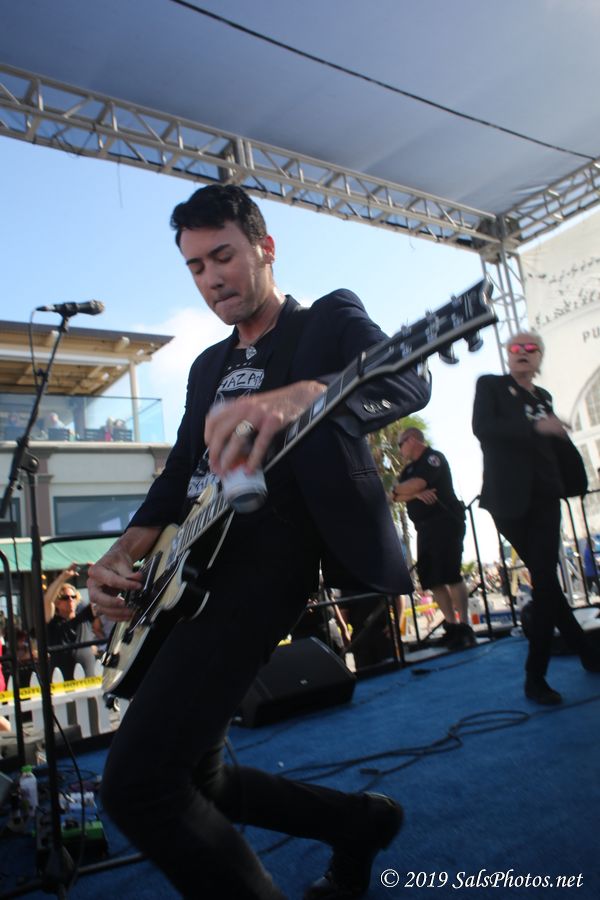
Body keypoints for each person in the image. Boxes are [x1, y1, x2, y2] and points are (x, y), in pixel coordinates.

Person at [87, 184, 431, 900]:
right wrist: (123, 554)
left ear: (265, 248)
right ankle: (360, 822)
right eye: (195, 267)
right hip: (185, 575)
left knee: (138, 785)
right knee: (200, 777)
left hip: (264, 566)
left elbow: (406, 379)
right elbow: (179, 475)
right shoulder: (205, 367)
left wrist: (302, 394)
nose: (211, 278)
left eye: (223, 256)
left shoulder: (326, 320)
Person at [472, 331, 600, 705]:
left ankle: (535, 678)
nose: (523, 353)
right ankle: (587, 652)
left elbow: (553, 443)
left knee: (544, 579)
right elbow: (484, 429)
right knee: (546, 583)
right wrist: (535, 427)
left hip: (546, 497)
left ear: (540, 357)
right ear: (508, 355)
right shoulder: (491, 387)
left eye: (531, 348)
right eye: (516, 348)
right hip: (508, 501)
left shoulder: (544, 397)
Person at [391, 428, 476, 651]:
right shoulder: (408, 470)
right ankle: (452, 625)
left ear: (411, 440)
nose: (400, 450)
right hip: (424, 528)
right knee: (432, 579)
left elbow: (416, 484)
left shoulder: (432, 458)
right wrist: (413, 494)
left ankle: (464, 626)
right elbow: (397, 496)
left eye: (400, 444)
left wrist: (405, 490)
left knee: (450, 573)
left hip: (444, 522)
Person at [44, 565, 99, 680]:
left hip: (89, 680)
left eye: (73, 597)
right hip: (62, 682)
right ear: (57, 603)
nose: (70, 600)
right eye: (65, 597)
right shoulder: (53, 623)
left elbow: (100, 596)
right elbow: (48, 601)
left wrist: (97, 573)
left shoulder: (85, 617)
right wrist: (62, 578)